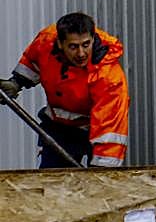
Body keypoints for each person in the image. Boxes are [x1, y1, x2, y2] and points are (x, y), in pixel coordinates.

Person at [0, 12, 130, 168]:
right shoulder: (46, 41)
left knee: (98, 183)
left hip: (93, 131)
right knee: (53, 182)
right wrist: (16, 82)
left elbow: (109, 133)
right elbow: (33, 62)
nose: (81, 53)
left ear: (93, 38)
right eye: (73, 47)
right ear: (60, 43)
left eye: (86, 44)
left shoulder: (108, 78)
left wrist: (101, 175)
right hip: (58, 127)